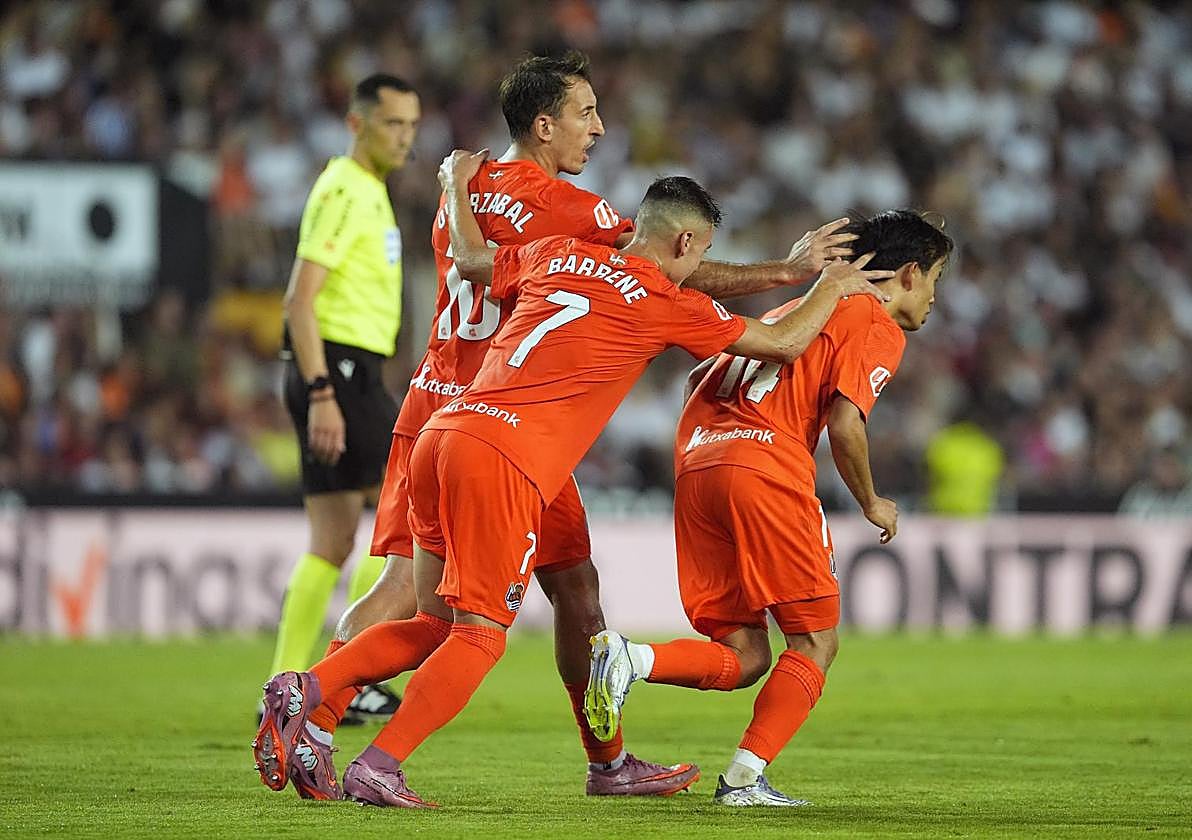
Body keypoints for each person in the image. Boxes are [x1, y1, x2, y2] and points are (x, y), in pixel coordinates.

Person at [288, 52, 861, 798]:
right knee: (460, 620)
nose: (599, 127)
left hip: (444, 406)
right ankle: (323, 718)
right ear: (544, 123)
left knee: (559, 591)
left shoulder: (490, 203)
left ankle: (606, 761)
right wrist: (797, 278)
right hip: (515, 434)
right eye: (587, 112)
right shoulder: (578, 219)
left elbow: (469, 261)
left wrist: (455, 187)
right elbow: (665, 271)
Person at [584, 209, 954, 806]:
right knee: (815, 643)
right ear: (908, 273)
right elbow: (845, 421)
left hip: (699, 469)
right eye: (936, 278)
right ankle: (744, 779)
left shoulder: (789, 312)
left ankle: (631, 658)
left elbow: (698, 378)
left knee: (746, 653)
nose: (935, 297)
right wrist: (871, 501)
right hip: (766, 470)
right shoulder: (871, 317)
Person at [262, 74, 420, 742]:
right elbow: (300, 297)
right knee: (399, 515)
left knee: (331, 540)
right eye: (392, 125)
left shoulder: (369, 191)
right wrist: (323, 390)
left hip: (343, 369)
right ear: (357, 124)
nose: (405, 138)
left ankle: (286, 685)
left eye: (412, 126)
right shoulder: (344, 189)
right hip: (340, 369)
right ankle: (350, 675)